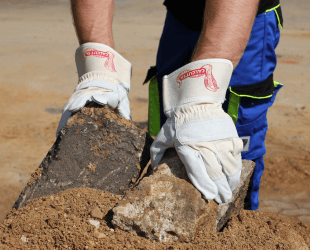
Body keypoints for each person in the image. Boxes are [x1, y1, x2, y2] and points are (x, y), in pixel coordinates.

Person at [56, 0, 283, 210]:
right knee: (173, 138)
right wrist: (98, 62)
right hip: (180, 18)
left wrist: (201, 99)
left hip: (242, 18)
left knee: (222, 149)